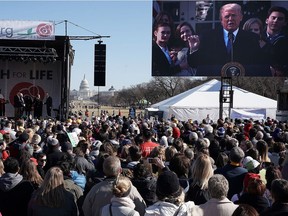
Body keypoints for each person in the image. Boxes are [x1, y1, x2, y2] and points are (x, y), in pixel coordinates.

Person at [188, 3, 264, 75]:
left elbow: (258, 65)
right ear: (221, 20)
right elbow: (193, 64)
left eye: (234, 15)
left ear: (241, 17)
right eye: (227, 16)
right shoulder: (207, 36)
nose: (230, 19)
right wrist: (194, 49)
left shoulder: (252, 38)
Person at [82, 156, 146, 216]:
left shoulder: (95, 189)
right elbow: (142, 209)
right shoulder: (129, 188)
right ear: (120, 170)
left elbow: (86, 210)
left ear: (104, 171)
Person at [262, 6, 288, 76]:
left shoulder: (285, 41)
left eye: (280, 19)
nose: (276, 21)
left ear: (285, 23)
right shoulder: (256, 37)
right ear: (267, 20)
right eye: (273, 18)